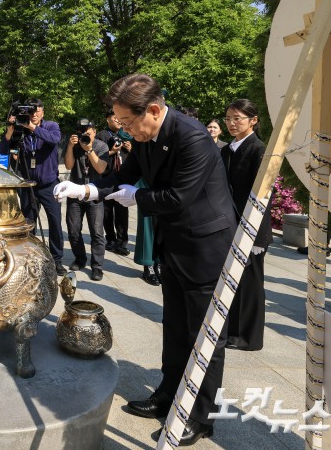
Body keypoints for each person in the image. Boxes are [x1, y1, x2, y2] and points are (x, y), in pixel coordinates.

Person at [54, 73, 236, 446]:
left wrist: (135, 199)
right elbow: (124, 175)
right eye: (120, 122)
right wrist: (85, 189)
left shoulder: (192, 137)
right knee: (173, 325)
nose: (125, 130)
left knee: (203, 335)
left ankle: (200, 417)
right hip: (175, 242)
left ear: (153, 109)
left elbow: (178, 196)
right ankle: (168, 396)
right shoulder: (146, 135)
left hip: (206, 246)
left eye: (129, 122)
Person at [221, 99, 272, 351]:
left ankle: (249, 337)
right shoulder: (227, 150)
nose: (231, 123)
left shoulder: (258, 149)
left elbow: (265, 196)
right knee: (233, 282)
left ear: (253, 121)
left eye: (237, 118)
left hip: (252, 228)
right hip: (230, 225)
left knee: (251, 285)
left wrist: (259, 238)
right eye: (228, 118)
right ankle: (232, 331)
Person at [0, 98, 66, 275]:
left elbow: (54, 139)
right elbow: (3, 150)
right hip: (28, 185)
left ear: (43, 112)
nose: (34, 114)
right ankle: (30, 257)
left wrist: (32, 127)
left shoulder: (51, 126)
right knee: (28, 223)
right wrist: (10, 130)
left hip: (49, 184)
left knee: (55, 223)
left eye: (37, 111)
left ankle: (57, 259)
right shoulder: (20, 128)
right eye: (31, 111)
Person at [63, 118, 109, 280]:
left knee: (97, 233)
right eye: (83, 133)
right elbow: (68, 166)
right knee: (73, 230)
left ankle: (97, 267)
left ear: (95, 132)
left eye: (88, 133)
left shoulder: (101, 146)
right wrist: (70, 146)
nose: (85, 136)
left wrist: (89, 150)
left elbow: (101, 168)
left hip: (95, 193)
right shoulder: (74, 145)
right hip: (75, 193)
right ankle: (80, 258)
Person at [97, 108, 132, 256]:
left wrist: (131, 149)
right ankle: (110, 239)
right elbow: (98, 156)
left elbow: (136, 159)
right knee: (106, 211)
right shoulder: (102, 135)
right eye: (114, 117)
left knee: (122, 211)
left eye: (119, 117)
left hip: (123, 177)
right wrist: (111, 151)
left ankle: (122, 242)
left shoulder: (127, 133)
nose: (117, 120)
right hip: (107, 177)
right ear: (107, 119)